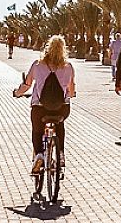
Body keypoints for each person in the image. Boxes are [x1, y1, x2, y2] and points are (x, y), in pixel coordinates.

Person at [12, 34, 77, 200]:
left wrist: (17, 93)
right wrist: (71, 93)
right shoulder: (68, 67)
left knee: (37, 130)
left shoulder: (38, 64)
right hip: (62, 108)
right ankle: (60, 153)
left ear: (47, 47)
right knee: (60, 125)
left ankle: (40, 154)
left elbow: (27, 84)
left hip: (39, 107)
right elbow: (71, 90)